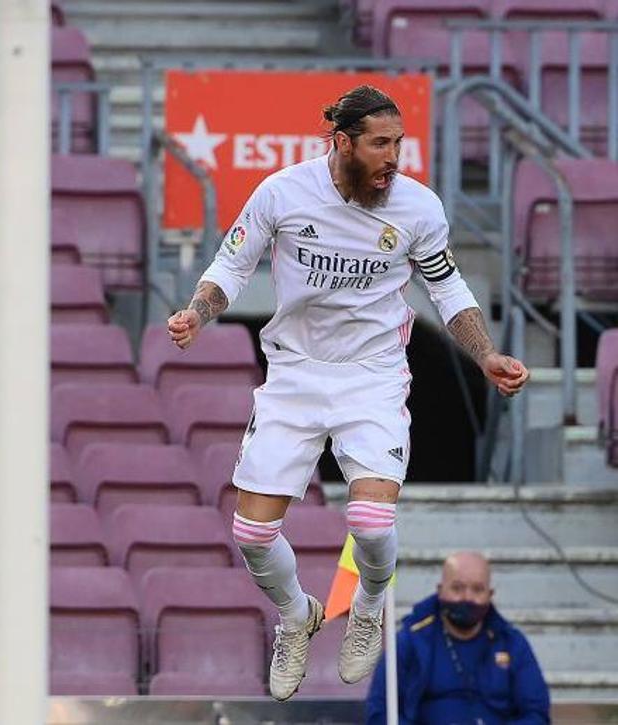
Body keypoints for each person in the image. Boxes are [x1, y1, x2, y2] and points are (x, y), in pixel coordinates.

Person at [167, 85, 530, 702]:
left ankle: (365, 604)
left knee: (368, 517)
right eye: (381, 144)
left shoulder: (417, 208)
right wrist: (200, 312)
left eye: (400, 143)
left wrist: (487, 353)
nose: (394, 157)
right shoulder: (282, 192)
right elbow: (231, 264)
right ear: (342, 141)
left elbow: (448, 290)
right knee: (252, 535)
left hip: (374, 375)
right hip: (295, 374)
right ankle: (297, 616)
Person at [366, 551, 551, 724]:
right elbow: (380, 713)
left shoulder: (511, 642)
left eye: (478, 589)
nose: (467, 598)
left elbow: (536, 713)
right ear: (440, 590)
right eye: (457, 588)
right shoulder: (410, 641)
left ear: (490, 595)